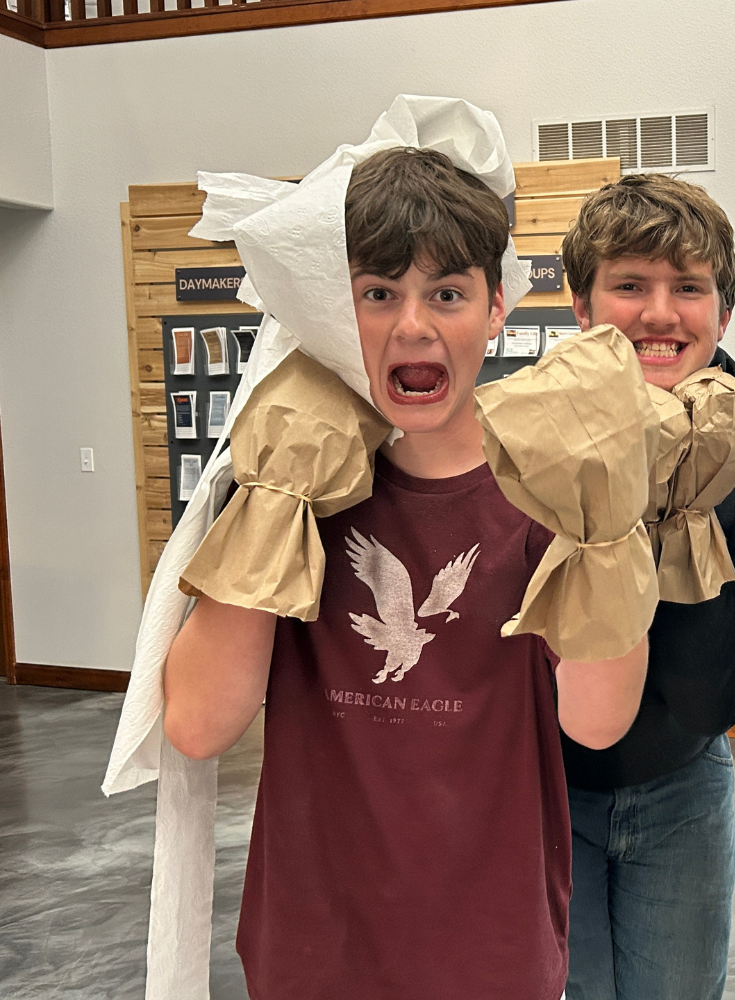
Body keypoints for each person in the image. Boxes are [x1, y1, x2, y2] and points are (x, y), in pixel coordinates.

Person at [161, 146, 649, 1000]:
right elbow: (200, 725)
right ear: (330, 310)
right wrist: (276, 498)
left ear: (497, 308)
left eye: (447, 294)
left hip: (489, 942)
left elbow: (599, 722)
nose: (413, 326)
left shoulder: (542, 496)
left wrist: (603, 522)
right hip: (314, 938)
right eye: (377, 293)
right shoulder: (286, 487)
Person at [558, 174, 735, 1000]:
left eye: (687, 288)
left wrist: (681, 507)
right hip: (543, 785)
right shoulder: (527, 435)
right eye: (629, 285)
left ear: (722, 314)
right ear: (582, 306)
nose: (660, 314)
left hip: (683, 782)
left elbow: (718, 692)